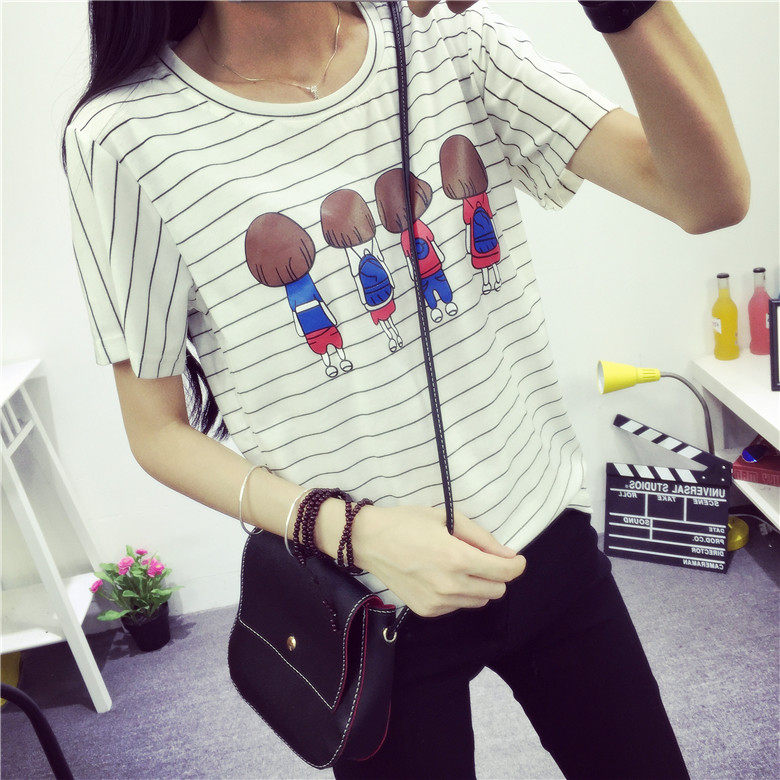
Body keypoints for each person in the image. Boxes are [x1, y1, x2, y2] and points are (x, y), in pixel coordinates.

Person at [61, 1, 748, 776]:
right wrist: (357, 532)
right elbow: (157, 431)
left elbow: (710, 197)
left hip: (543, 537)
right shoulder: (123, 137)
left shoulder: (448, 40)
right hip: (363, 596)